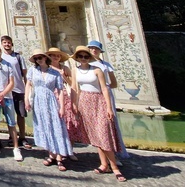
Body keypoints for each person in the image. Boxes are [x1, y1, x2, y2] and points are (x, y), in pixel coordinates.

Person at [72, 45, 126, 182]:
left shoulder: (97, 70)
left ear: (89, 57)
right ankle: (103, 164)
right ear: (77, 58)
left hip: (99, 102)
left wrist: (109, 107)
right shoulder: (75, 70)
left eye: (85, 56)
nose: (83, 58)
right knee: (96, 135)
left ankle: (114, 167)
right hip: (85, 102)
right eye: (80, 56)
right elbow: (75, 89)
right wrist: (75, 105)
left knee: (104, 134)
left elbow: (105, 89)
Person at [24, 49, 73, 171]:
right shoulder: (33, 70)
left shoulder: (54, 73)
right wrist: (26, 100)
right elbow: (28, 85)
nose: (38, 60)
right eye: (36, 58)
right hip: (38, 102)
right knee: (44, 126)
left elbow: (61, 90)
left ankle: (59, 157)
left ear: (45, 58)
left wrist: (61, 107)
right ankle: (51, 154)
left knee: (56, 127)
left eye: (40, 57)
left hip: (51, 101)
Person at [87, 40, 129, 162]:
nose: (94, 50)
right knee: (96, 126)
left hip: (105, 96)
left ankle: (114, 154)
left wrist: (105, 89)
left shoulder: (106, 65)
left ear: (100, 51)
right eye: (92, 48)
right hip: (90, 97)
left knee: (110, 124)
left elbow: (113, 83)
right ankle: (104, 155)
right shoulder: (84, 64)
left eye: (96, 48)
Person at [47, 47, 87, 161]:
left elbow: (73, 83)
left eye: (57, 55)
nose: (55, 57)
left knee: (69, 123)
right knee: (54, 124)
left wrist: (63, 76)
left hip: (65, 97)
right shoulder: (46, 68)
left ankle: (69, 150)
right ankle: (55, 151)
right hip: (52, 98)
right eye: (53, 55)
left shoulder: (65, 68)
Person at [0, 35, 30, 150]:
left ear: (11, 44)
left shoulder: (18, 57)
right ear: (2, 44)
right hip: (6, 91)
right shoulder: (0, 57)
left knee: (21, 114)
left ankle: (22, 137)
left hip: (19, 89)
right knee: (9, 114)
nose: (7, 44)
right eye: (4, 43)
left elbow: (25, 74)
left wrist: (28, 90)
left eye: (8, 43)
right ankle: (12, 136)